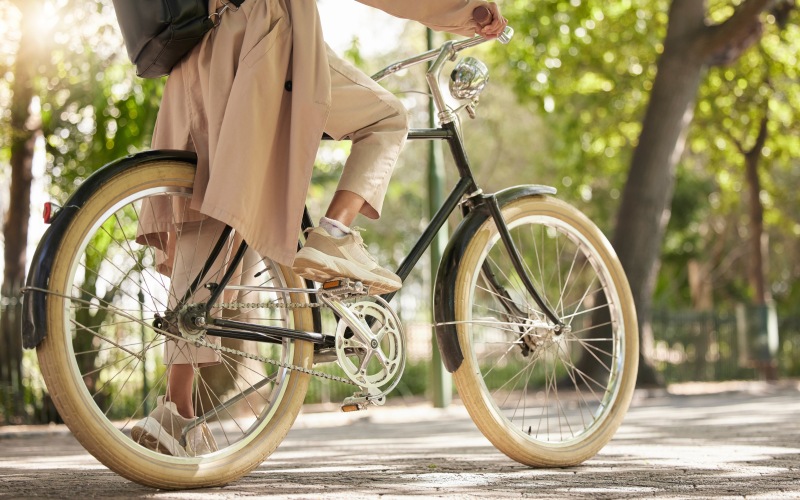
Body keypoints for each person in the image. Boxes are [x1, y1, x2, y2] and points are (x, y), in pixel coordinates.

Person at [131, 0, 507, 456]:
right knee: (387, 117)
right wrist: (467, 11)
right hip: (260, 39)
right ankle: (333, 234)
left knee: (207, 216)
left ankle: (175, 412)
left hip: (197, 57)